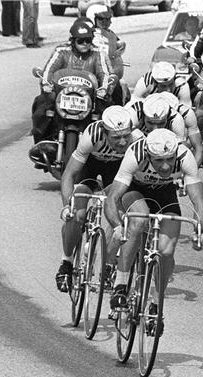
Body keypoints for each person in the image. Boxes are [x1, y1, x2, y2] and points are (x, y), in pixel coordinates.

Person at [104, 128, 203, 334]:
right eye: (159, 161)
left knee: (166, 251)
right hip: (135, 190)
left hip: (165, 194)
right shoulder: (135, 154)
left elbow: (198, 201)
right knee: (139, 220)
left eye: (169, 159)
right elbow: (113, 198)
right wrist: (117, 226)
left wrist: (199, 229)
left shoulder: (184, 157)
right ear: (149, 155)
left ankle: (155, 304)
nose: (166, 166)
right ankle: (121, 285)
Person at [55, 105, 142, 292]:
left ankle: (108, 265)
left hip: (118, 171)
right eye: (116, 137)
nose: (122, 141)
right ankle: (66, 263)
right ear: (104, 131)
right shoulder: (92, 135)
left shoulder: (137, 141)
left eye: (125, 136)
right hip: (90, 167)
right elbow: (69, 175)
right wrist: (66, 207)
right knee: (76, 215)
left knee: (115, 213)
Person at [31, 18, 113, 143]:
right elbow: (49, 69)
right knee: (41, 103)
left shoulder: (98, 53)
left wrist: (104, 88)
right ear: (73, 41)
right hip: (62, 95)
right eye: (81, 41)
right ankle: (40, 140)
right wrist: (46, 84)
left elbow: (104, 73)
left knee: (107, 108)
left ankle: (104, 143)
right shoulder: (62, 51)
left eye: (88, 40)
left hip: (89, 97)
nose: (85, 44)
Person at [87, 5, 125, 101]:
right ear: (93, 18)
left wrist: (119, 48)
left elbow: (120, 45)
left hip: (107, 73)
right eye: (103, 19)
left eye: (108, 19)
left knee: (120, 87)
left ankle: (117, 113)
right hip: (88, 72)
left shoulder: (111, 34)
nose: (107, 22)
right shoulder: (86, 33)